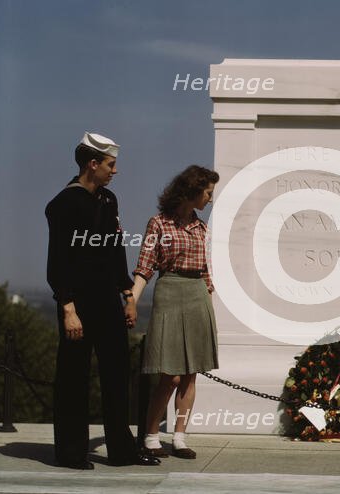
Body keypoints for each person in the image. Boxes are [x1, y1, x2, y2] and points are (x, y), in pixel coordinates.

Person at [45, 132, 160, 469]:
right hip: (77, 305)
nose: (114, 171)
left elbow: (115, 254)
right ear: (92, 164)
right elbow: (58, 262)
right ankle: (70, 452)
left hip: (108, 302)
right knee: (73, 378)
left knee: (116, 375)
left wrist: (128, 296)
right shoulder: (63, 204)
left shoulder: (108, 201)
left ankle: (122, 451)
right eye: (110, 165)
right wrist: (68, 310)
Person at [131, 165, 219, 459]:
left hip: (197, 295)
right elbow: (145, 267)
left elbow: (208, 273)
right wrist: (131, 300)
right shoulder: (158, 224)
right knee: (169, 375)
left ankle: (180, 436)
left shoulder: (203, 229)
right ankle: (151, 434)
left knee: (190, 373)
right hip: (169, 291)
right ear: (193, 190)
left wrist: (206, 302)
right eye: (207, 192)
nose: (210, 198)